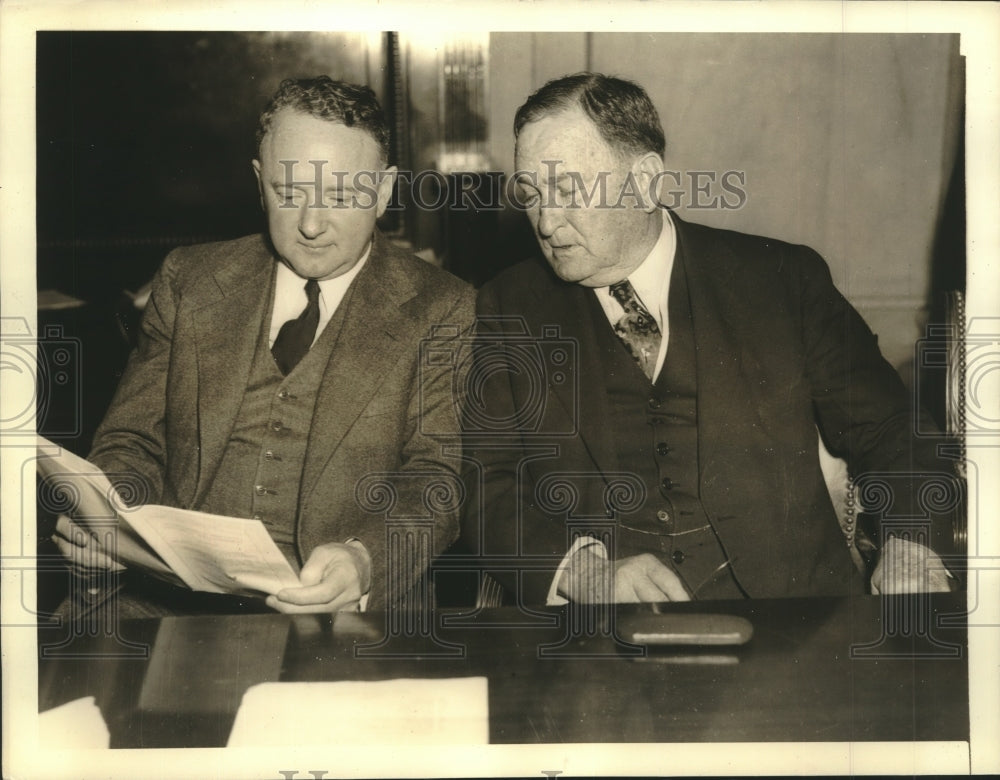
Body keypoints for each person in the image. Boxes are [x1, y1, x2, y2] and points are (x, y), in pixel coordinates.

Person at [461, 72, 960, 605]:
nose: (545, 219)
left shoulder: (781, 280)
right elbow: (483, 484)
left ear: (647, 180)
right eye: (531, 193)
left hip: (793, 623)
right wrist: (581, 573)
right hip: (605, 637)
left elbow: (891, 429)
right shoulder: (507, 307)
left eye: (566, 188)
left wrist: (909, 542)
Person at [53, 76, 475, 615]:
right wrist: (110, 519)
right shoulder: (190, 280)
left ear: (385, 191)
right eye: (289, 192)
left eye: (342, 195)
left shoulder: (445, 307)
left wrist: (363, 560)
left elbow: (436, 480)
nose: (311, 225)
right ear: (258, 183)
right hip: (163, 604)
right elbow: (133, 439)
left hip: (338, 618)